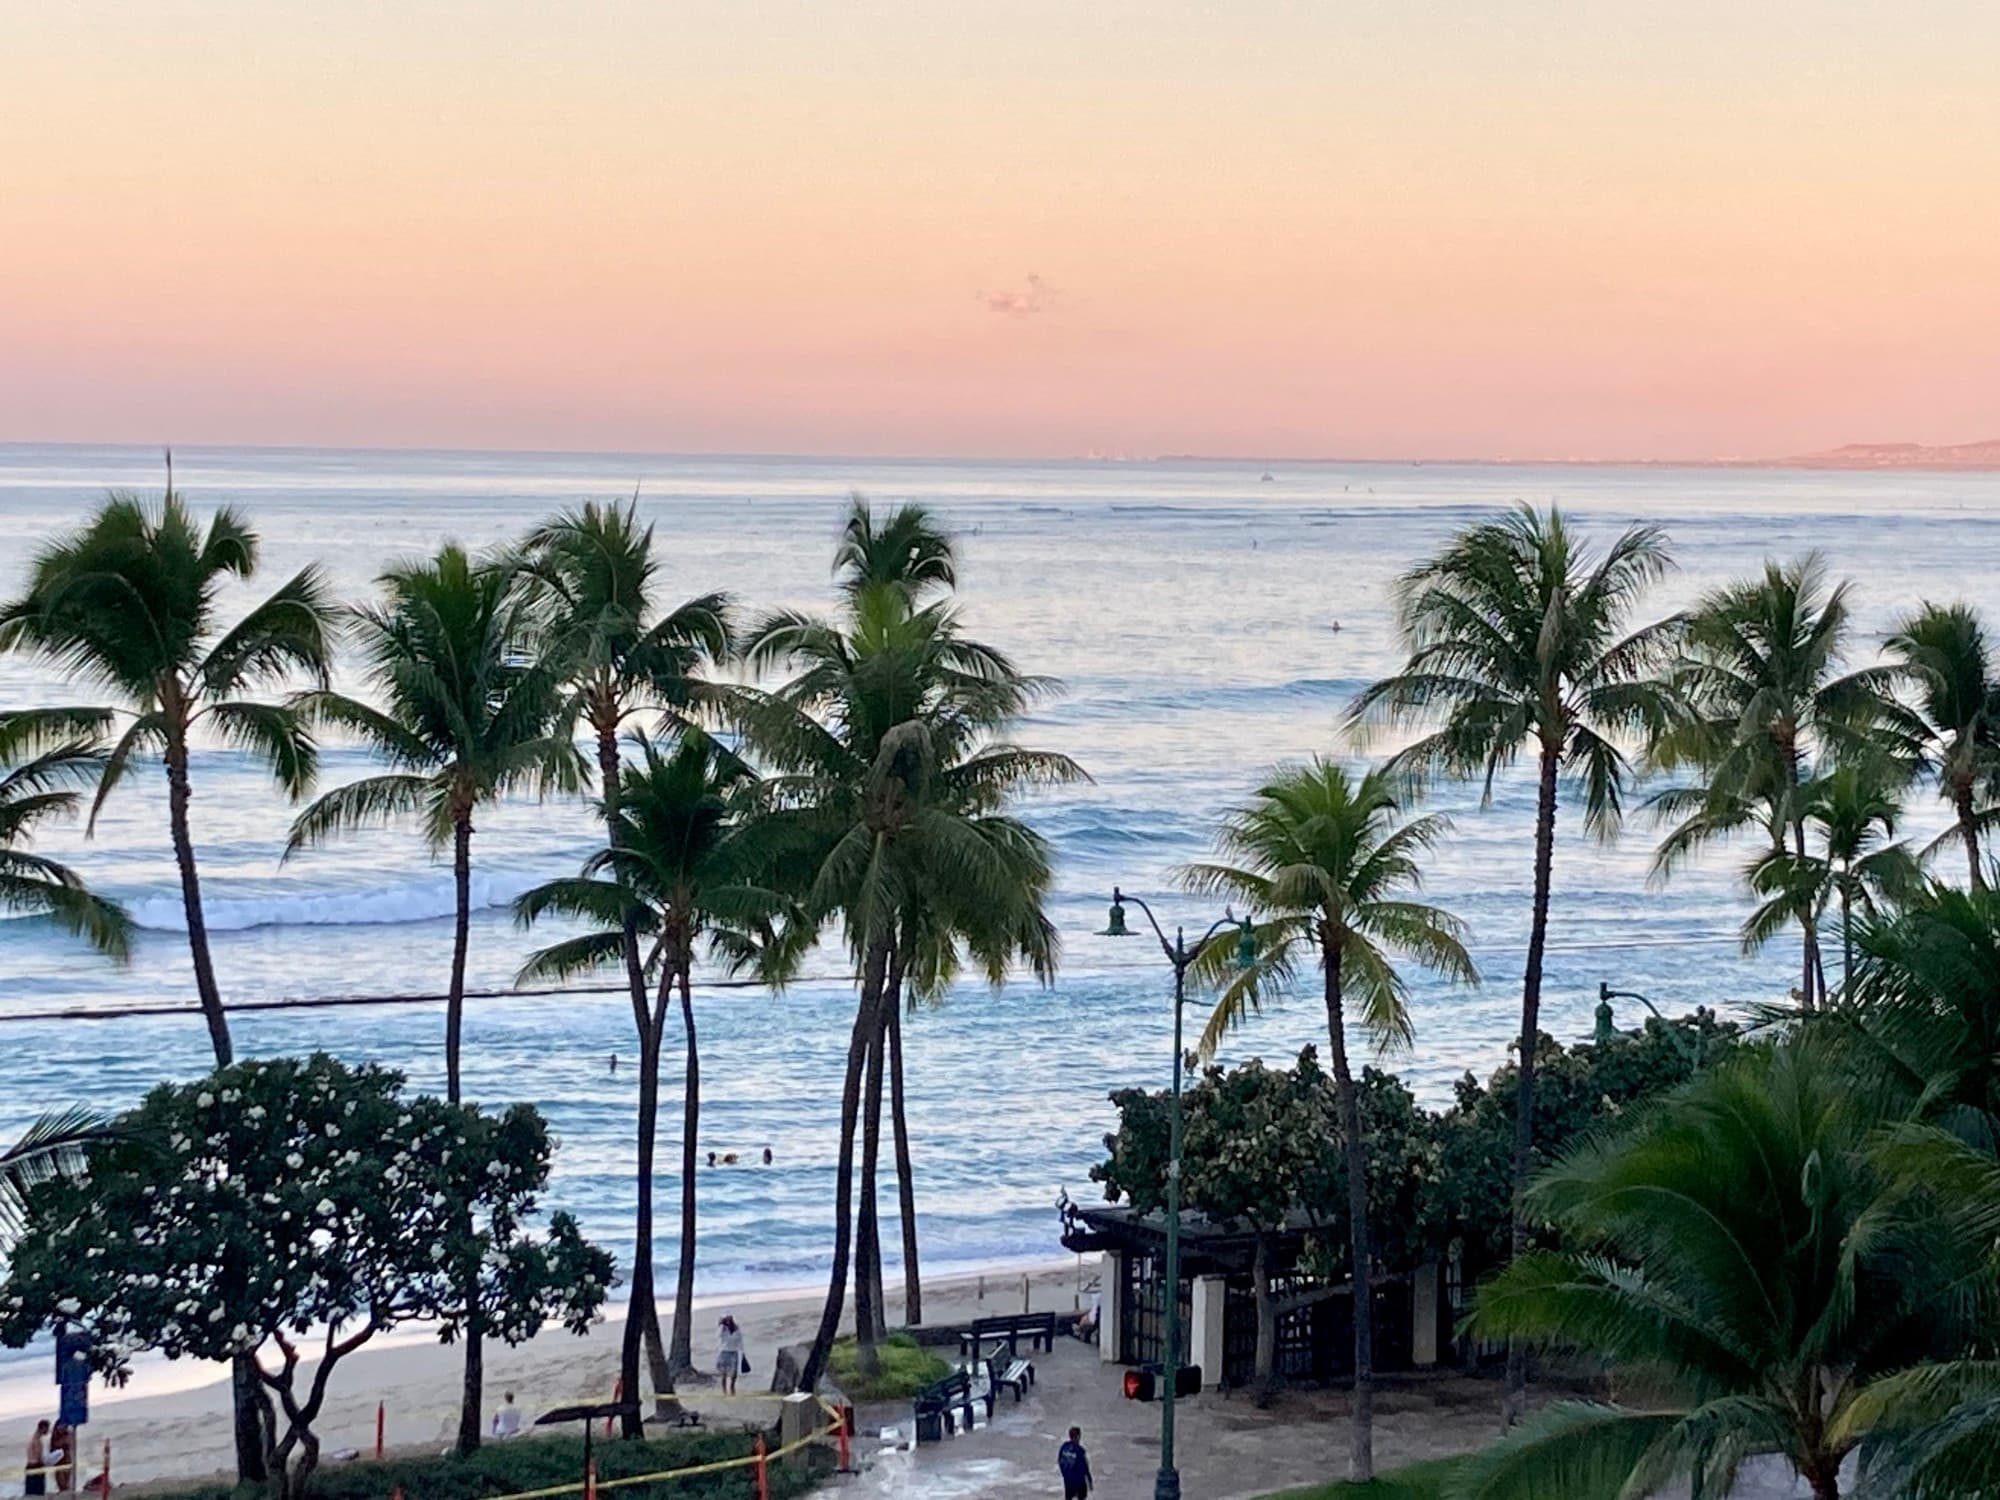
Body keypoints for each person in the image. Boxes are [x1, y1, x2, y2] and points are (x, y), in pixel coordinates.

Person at [1057, 1426, 1092, 1499]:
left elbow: (1060, 1461)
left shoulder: (1064, 1447)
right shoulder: (1079, 1450)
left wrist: (1065, 1474)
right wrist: (1090, 1481)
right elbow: (1084, 1468)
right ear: (1078, 1436)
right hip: (1078, 1482)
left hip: (1068, 1481)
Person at [716, 1314, 746, 1396]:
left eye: (729, 1320)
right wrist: (721, 1325)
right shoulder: (722, 1329)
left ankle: (732, 1388)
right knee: (724, 1373)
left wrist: (742, 1351)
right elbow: (718, 1336)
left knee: (734, 1374)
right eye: (726, 1320)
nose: (728, 1321)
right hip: (724, 1352)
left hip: (734, 1352)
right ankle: (724, 1391)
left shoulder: (736, 1328)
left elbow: (740, 1340)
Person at [25, 1420, 50, 1496]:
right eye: (47, 1428)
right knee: (37, 1492)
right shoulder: (36, 1440)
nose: (48, 1431)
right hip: (35, 1466)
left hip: (30, 1466)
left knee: (30, 1492)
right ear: (43, 1428)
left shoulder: (33, 1438)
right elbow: (38, 1456)